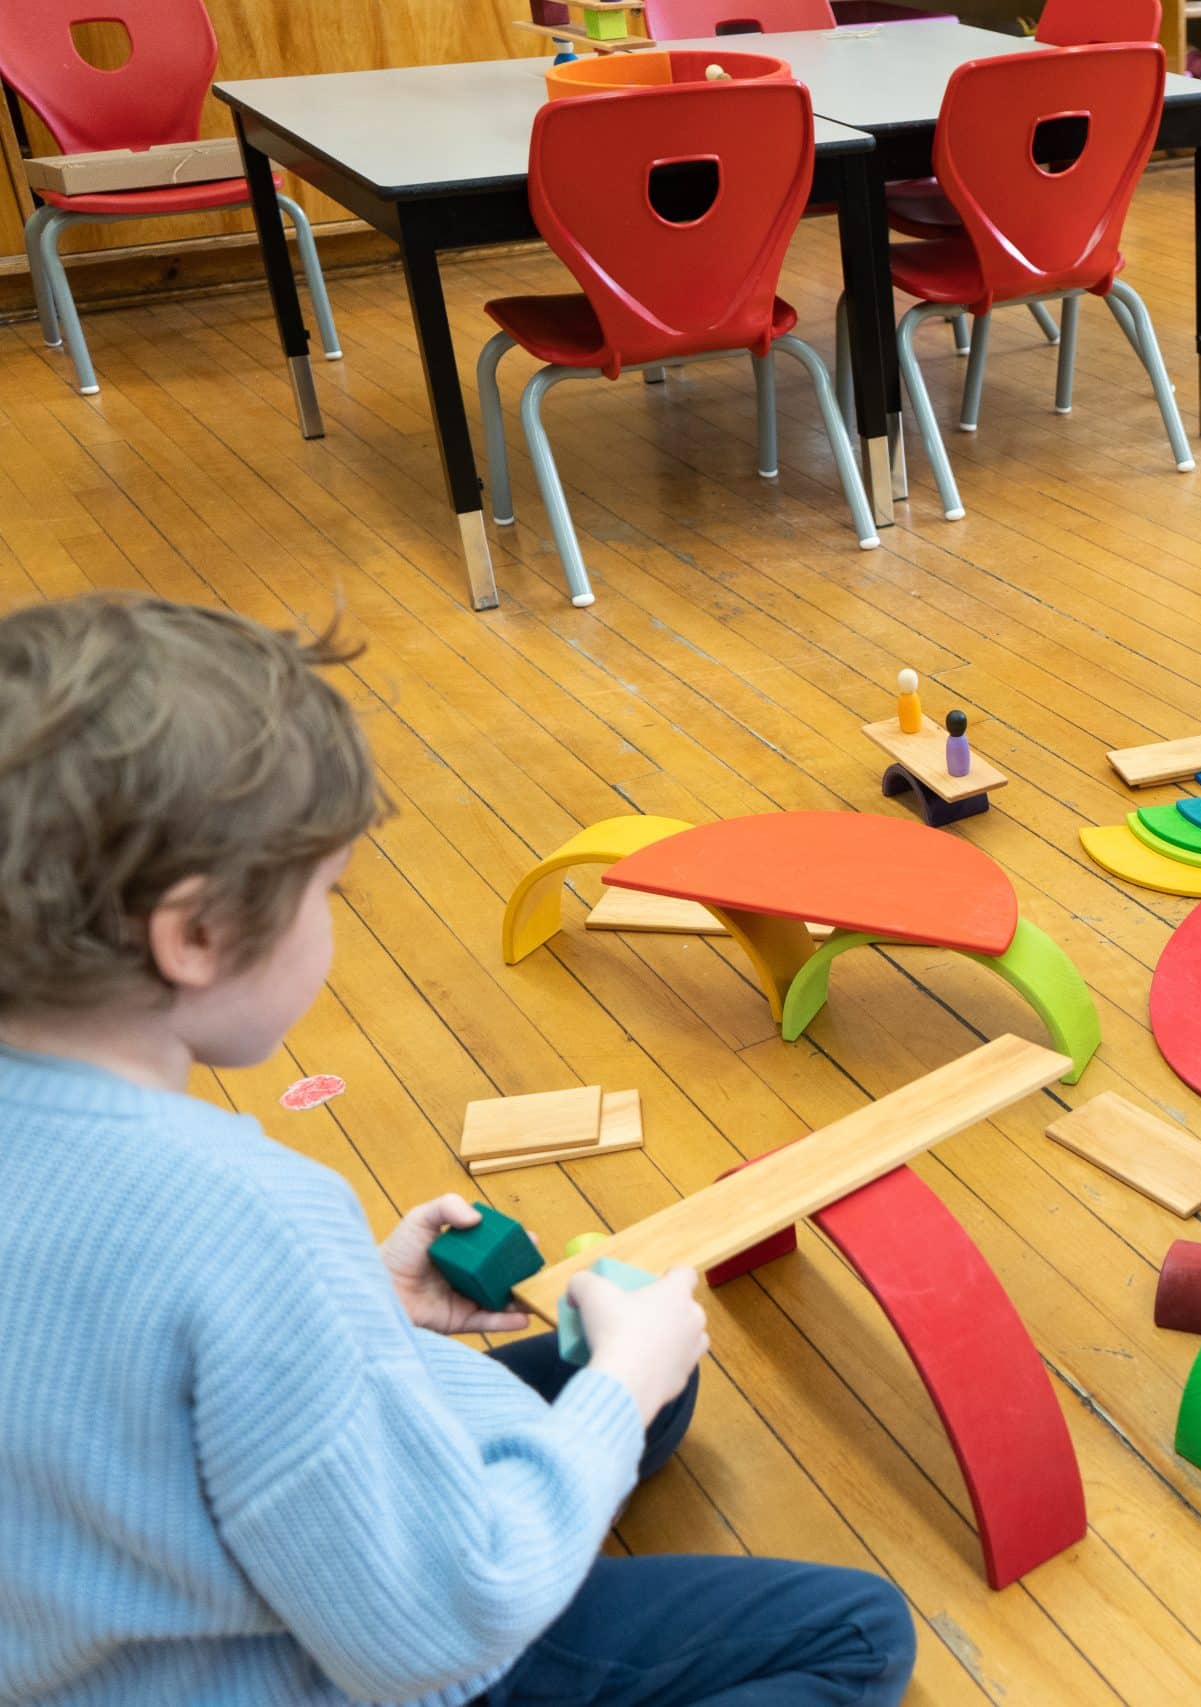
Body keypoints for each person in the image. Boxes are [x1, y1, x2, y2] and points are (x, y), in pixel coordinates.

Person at [0, 594, 916, 1706]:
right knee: (856, 1632)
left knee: (642, 1382)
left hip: (108, 1617)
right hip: (323, 1663)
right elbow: (436, 1628)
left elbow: (103, 1382)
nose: (336, 923)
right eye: (327, 895)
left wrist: (360, 1309)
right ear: (195, 934)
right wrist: (615, 1393)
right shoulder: (249, 1212)